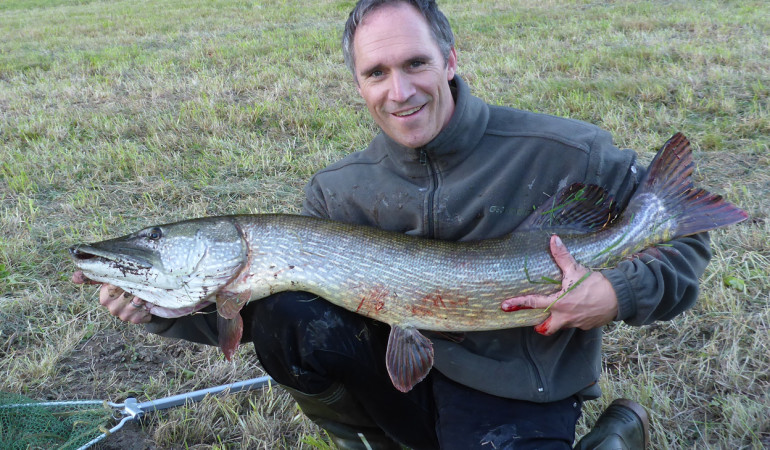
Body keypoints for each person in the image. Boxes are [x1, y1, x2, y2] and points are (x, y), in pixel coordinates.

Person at [84, 1, 711, 448]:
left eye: (415, 64)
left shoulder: (564, 152)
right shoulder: (336, 191)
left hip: (515, 387)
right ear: (358, 83)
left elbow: (682, 235)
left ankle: (612, 437)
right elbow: (257, 318)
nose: (399, 90)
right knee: (289, 314)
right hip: (395, 379)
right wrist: (163, 313)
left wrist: (616, 292)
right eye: (376, 73)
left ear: (450, 59)